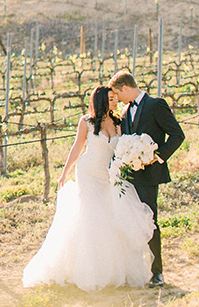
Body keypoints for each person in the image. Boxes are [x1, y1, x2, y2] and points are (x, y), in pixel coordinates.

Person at [22, 86, 155, 291]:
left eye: (115, 98)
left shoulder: (119, 122)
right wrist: (64, 173)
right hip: (88, 173)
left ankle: (111, 267)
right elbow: (77, 147)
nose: (115, 102)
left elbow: (121, 148)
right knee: (93, 215)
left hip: (109, 175)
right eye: (111, 99)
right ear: (101, 101)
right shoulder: (86, 122)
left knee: (110, 216)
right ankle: (89, 269)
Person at [108, 70, 186, 288]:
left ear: (124, 88)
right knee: (128, 222)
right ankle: (134, 270)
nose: (117, 99)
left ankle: (157, 272)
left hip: (149, 176)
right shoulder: (124, 111)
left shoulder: (156, 104)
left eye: (117, 94)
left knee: (150, 223)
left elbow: (177, 135)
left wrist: (156, 156)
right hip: (128, 177)